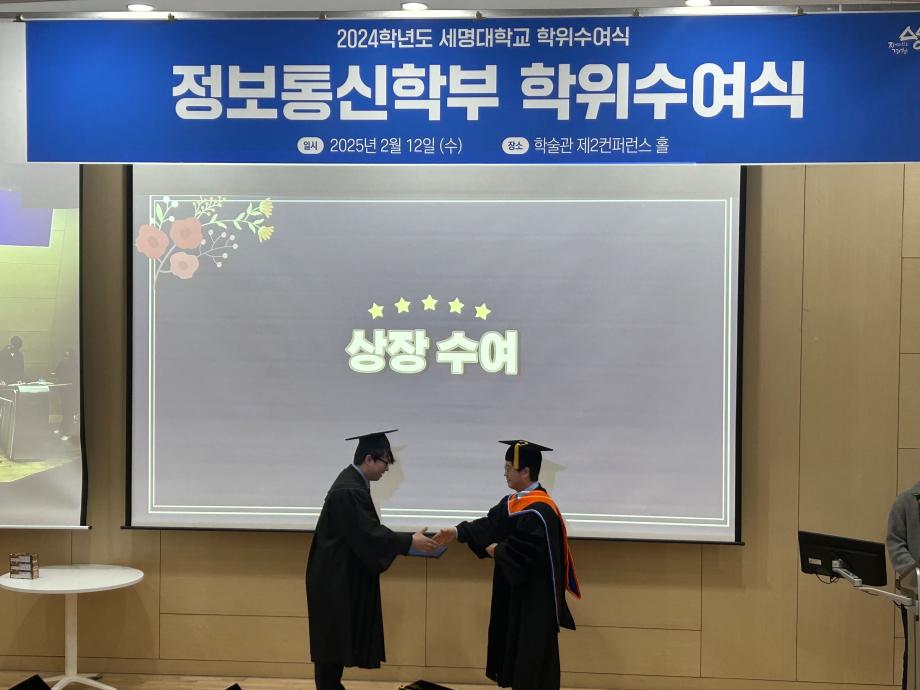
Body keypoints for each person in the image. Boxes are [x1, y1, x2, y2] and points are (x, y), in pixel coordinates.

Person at [434, 440, 580, 690]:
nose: (505, 473)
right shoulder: (512, 502)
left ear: (525, 471)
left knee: (531, 659)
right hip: (515, 593)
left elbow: (529, 551)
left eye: (508, 468)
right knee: (516, 653)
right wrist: (457, 532)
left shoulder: (542, 511)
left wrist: (498, 550)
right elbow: (489, 525)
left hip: (534, 599)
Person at [306, 429, 438, 690]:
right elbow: (368, 534)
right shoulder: (348, 490)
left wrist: (406, 542)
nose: (387, 469)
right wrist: (409, 542)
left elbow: (365, 535)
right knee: (330, 651)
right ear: (369, 459)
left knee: (333, 648)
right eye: (385, 462)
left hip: (335, 577)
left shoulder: (352, 484)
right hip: (333, 581)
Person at [887, 482, 920, 690]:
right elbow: (895, 543)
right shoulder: (905, 501)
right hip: (915, 596)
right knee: (916, 658)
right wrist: (916, 575)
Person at [51, 349, 77, 440]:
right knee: (66, 409)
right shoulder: (64, 362)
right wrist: (54, 374)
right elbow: (56, 372)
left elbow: (56, 373)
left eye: (67, 355)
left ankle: (66, 432)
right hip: (64, 390)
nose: (66, 358)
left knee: (68, 411)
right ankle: (62, 429)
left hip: (70, 390)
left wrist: (54, 374)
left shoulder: (72, 364)